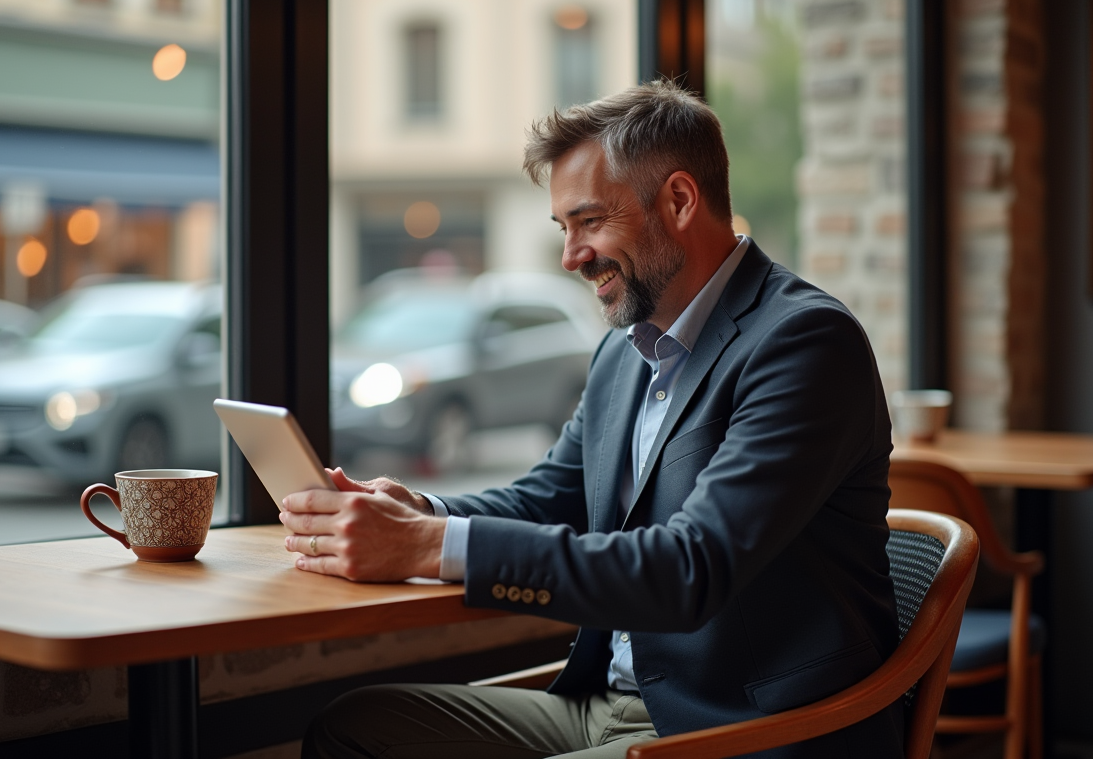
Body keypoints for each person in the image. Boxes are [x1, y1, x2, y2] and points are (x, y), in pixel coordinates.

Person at [284, 80, 903, 758]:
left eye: (590, 222)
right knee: (354, 730)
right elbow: (552, 496)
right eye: (564, 229)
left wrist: (427, 548)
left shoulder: (804, 343)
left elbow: (690, 568)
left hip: (742, 726)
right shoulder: (624, 349)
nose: (571, 255)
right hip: (606, 703)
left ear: (679, 200)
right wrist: (419, 512)